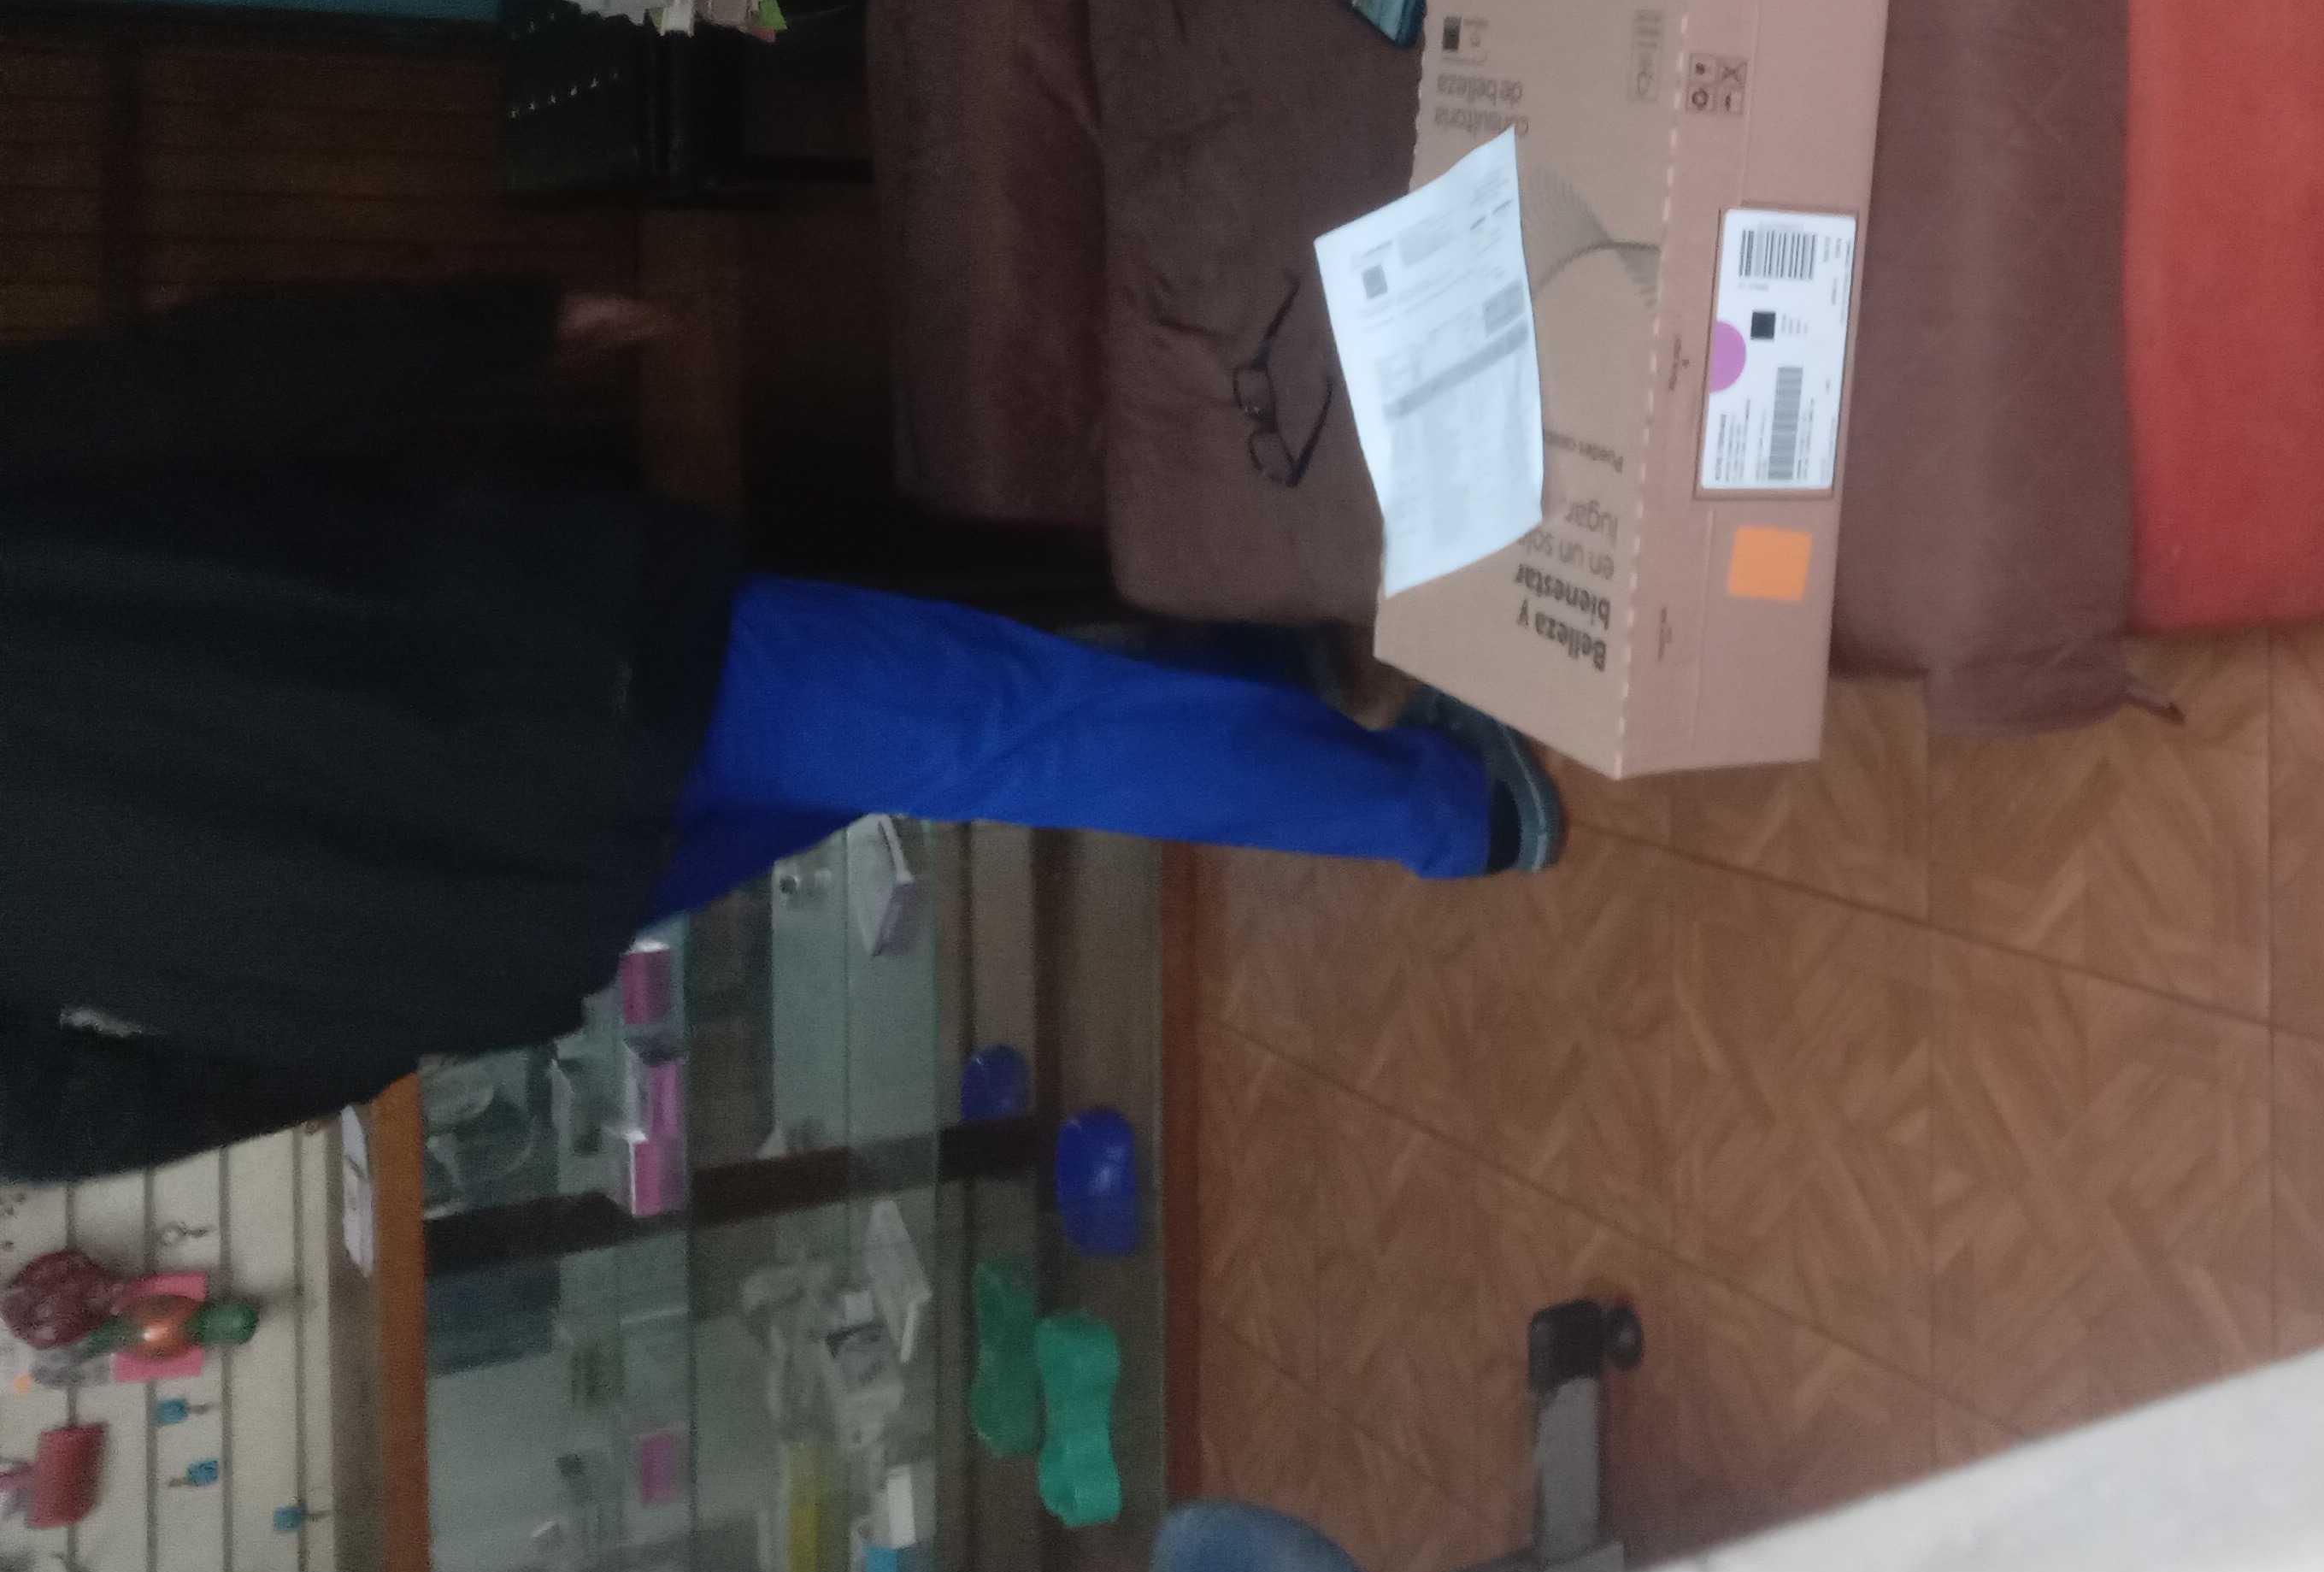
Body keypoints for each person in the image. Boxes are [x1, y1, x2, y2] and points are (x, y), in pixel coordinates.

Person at [0, 278, 1559, 1185]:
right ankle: (1458, 812)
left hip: (469, 915)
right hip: (529, 677)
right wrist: (503, 325)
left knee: (954, 741)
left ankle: (1273, 679)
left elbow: (79, 1117)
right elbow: (196, 385)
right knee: (1008, 727)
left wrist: (361, 1024)